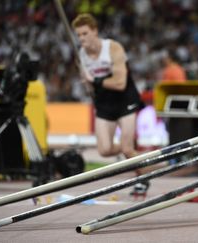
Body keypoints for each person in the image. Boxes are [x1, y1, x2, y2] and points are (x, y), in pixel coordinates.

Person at [72, 13, 148, 195]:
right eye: (79, 35)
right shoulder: (80, 56)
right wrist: (88, 84)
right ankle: (137, 155)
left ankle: (144, 179)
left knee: (127, 148)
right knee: (105, 150)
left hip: (125, 100)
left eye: (85, 33)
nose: (82, 39)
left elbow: (120, 83)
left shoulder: (113, 48)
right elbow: (90, 86)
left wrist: (96, 80)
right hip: (104, 102)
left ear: (95, 31)